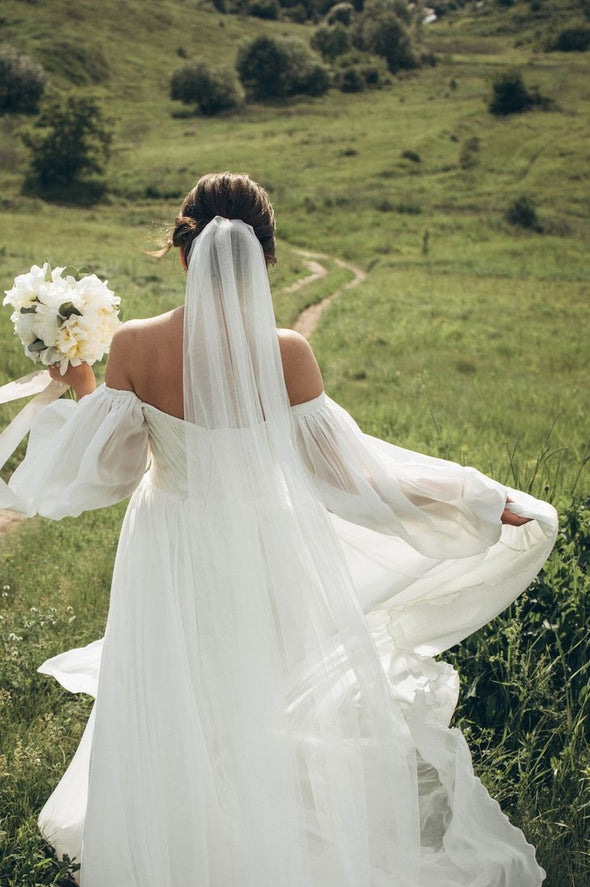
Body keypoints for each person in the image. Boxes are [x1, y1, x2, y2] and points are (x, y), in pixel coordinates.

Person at [0, 172, 558, 887]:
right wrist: (478, 501)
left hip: (169, 544)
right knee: (255, 701)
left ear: (183, 251)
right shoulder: (287, 351)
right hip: (262, 548)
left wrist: (81, 381)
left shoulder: (137, 345)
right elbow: (356, 477)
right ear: (266, 259)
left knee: (174, 695)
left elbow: (106, 473)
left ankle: (179, 844)